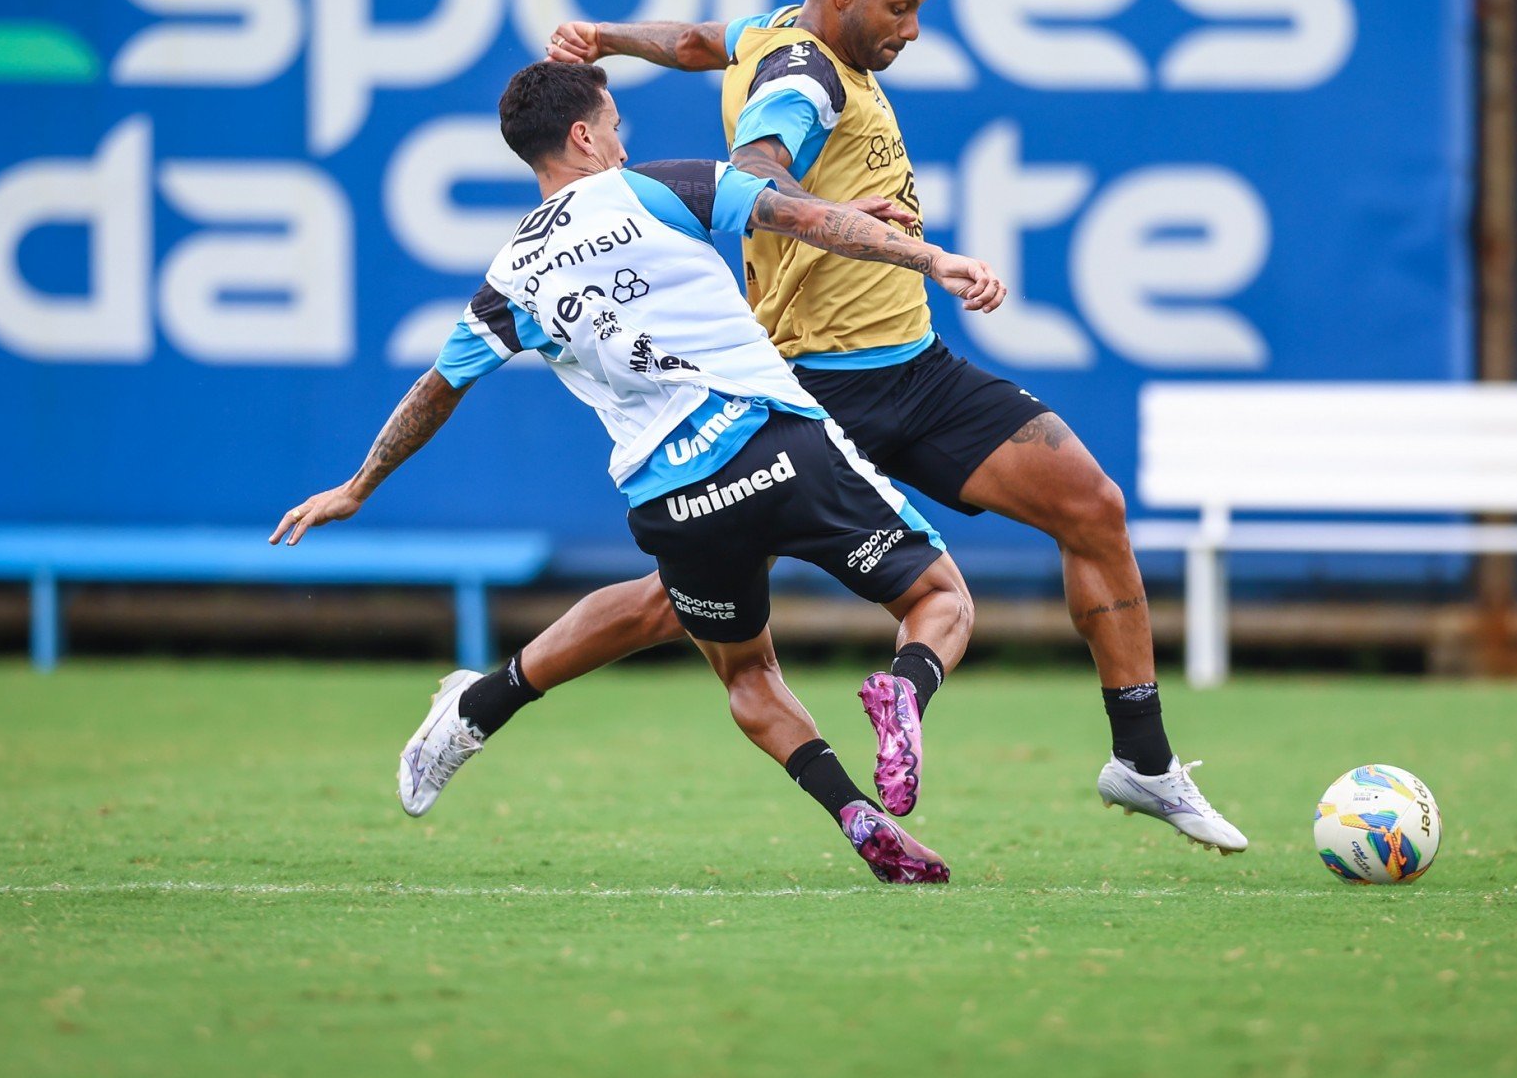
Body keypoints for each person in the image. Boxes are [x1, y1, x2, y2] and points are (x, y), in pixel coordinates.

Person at [541, 0, 1247, 853]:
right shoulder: (806, 74)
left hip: (915, 369)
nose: (911, 28)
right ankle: (485, 699)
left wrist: (609, 39)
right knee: (672, 604)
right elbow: (757, 165)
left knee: (1092, 506)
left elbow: (699, 41)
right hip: (814, 395)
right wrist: (847, 217)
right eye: (899, 5)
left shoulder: (766, 36)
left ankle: (1143, 762)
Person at [271, 60, 1008, 884]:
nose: (624, 139)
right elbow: (802, 220)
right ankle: (907, 690)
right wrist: (927, 257)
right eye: (615, 123)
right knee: (939, 599)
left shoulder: (510, 275)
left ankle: (849, 809)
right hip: (774, 444)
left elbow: (434, 392)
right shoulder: (659, 187)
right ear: (584, 136)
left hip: (674, 497)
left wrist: (358, 486)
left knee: (745, 669)